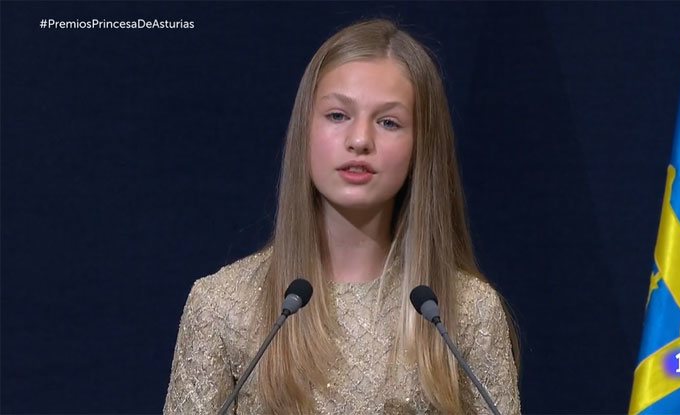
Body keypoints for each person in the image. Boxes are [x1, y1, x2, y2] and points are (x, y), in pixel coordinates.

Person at [164, 18, 520, 414]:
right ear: (305, 131)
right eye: (338, 115)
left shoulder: (468, 311)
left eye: (388, 122)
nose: (359, 140)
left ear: (421, 147)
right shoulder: (221, 306)